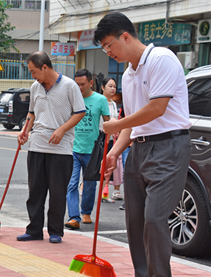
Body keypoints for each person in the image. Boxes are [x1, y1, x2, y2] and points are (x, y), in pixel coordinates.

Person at [95, 12, 191, 277]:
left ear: (125, 36)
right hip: (139, 149)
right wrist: (115, 151)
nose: (108, 52)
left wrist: (116, 125)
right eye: (104, 48)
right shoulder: (128, 75)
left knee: (155, 219)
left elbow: (157, 108)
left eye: (108, 45)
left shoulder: (161, 59)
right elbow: (133, 124)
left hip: (169, 147)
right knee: (135, 221)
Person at [16, 52, 85, 243]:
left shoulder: (69, 86)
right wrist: (25, 131)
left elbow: (79, 112)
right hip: (37, 145)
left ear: (45, 67)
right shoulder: (35, 87)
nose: (32, 76)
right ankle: (34, 230)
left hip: (61, 149)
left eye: (33, 71)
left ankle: (55, 231)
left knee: (57, 193)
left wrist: (62, 130)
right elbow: (32, 113)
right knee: (35, 191)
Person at [64, 69, 110, 230]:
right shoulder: (70, 99)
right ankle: (73, 217)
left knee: (90, 184)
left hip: (92, 151)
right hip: (72, 148)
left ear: (91, 83)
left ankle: (86, 212)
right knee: (71, 183)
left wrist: (107, 148)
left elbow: (108, 124)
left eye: (82, 84)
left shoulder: (101, 100)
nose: (79, 87)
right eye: (76, 84)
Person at [100, 77, 122, 202]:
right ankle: (83, 187)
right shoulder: (100, 101)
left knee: (110, 167)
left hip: (113, 138)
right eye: (110, 86)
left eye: (114, 86)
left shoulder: (113, 104)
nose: (113, 89)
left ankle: (105, 193)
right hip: (102, 137)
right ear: (103, 87)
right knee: (100, 166)